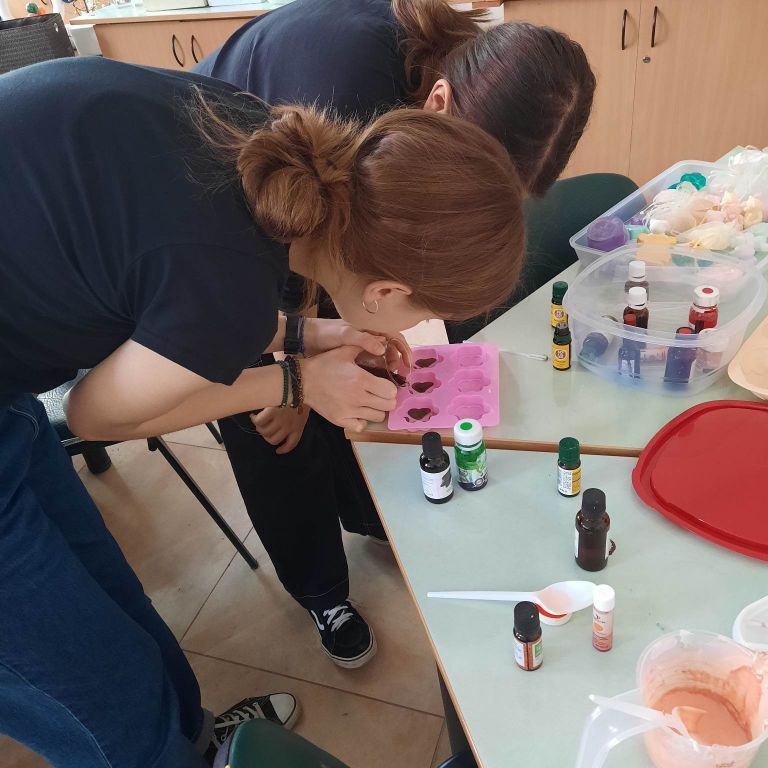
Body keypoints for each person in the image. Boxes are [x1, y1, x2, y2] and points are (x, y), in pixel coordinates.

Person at [0, 54, 525, 768]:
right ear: (385, 292)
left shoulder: (273, 144)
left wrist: (312, 334)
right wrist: (295, 384)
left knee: (114, 605)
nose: (415, 328)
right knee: (104, 705)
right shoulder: (227, 278)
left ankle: (194, 740)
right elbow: (91, 416)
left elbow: (183, 295)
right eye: (422, 314)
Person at [193, 0, 596, 668]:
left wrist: (335, 338)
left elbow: (353, 270)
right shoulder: (348, 94)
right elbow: (293, 248)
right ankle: (322, 590)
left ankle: (369, 514)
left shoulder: (429, 104)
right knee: (275, 425)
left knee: (352, 362)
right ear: (438, 103)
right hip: (230, 221)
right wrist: (290, 376)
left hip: (295, 227)